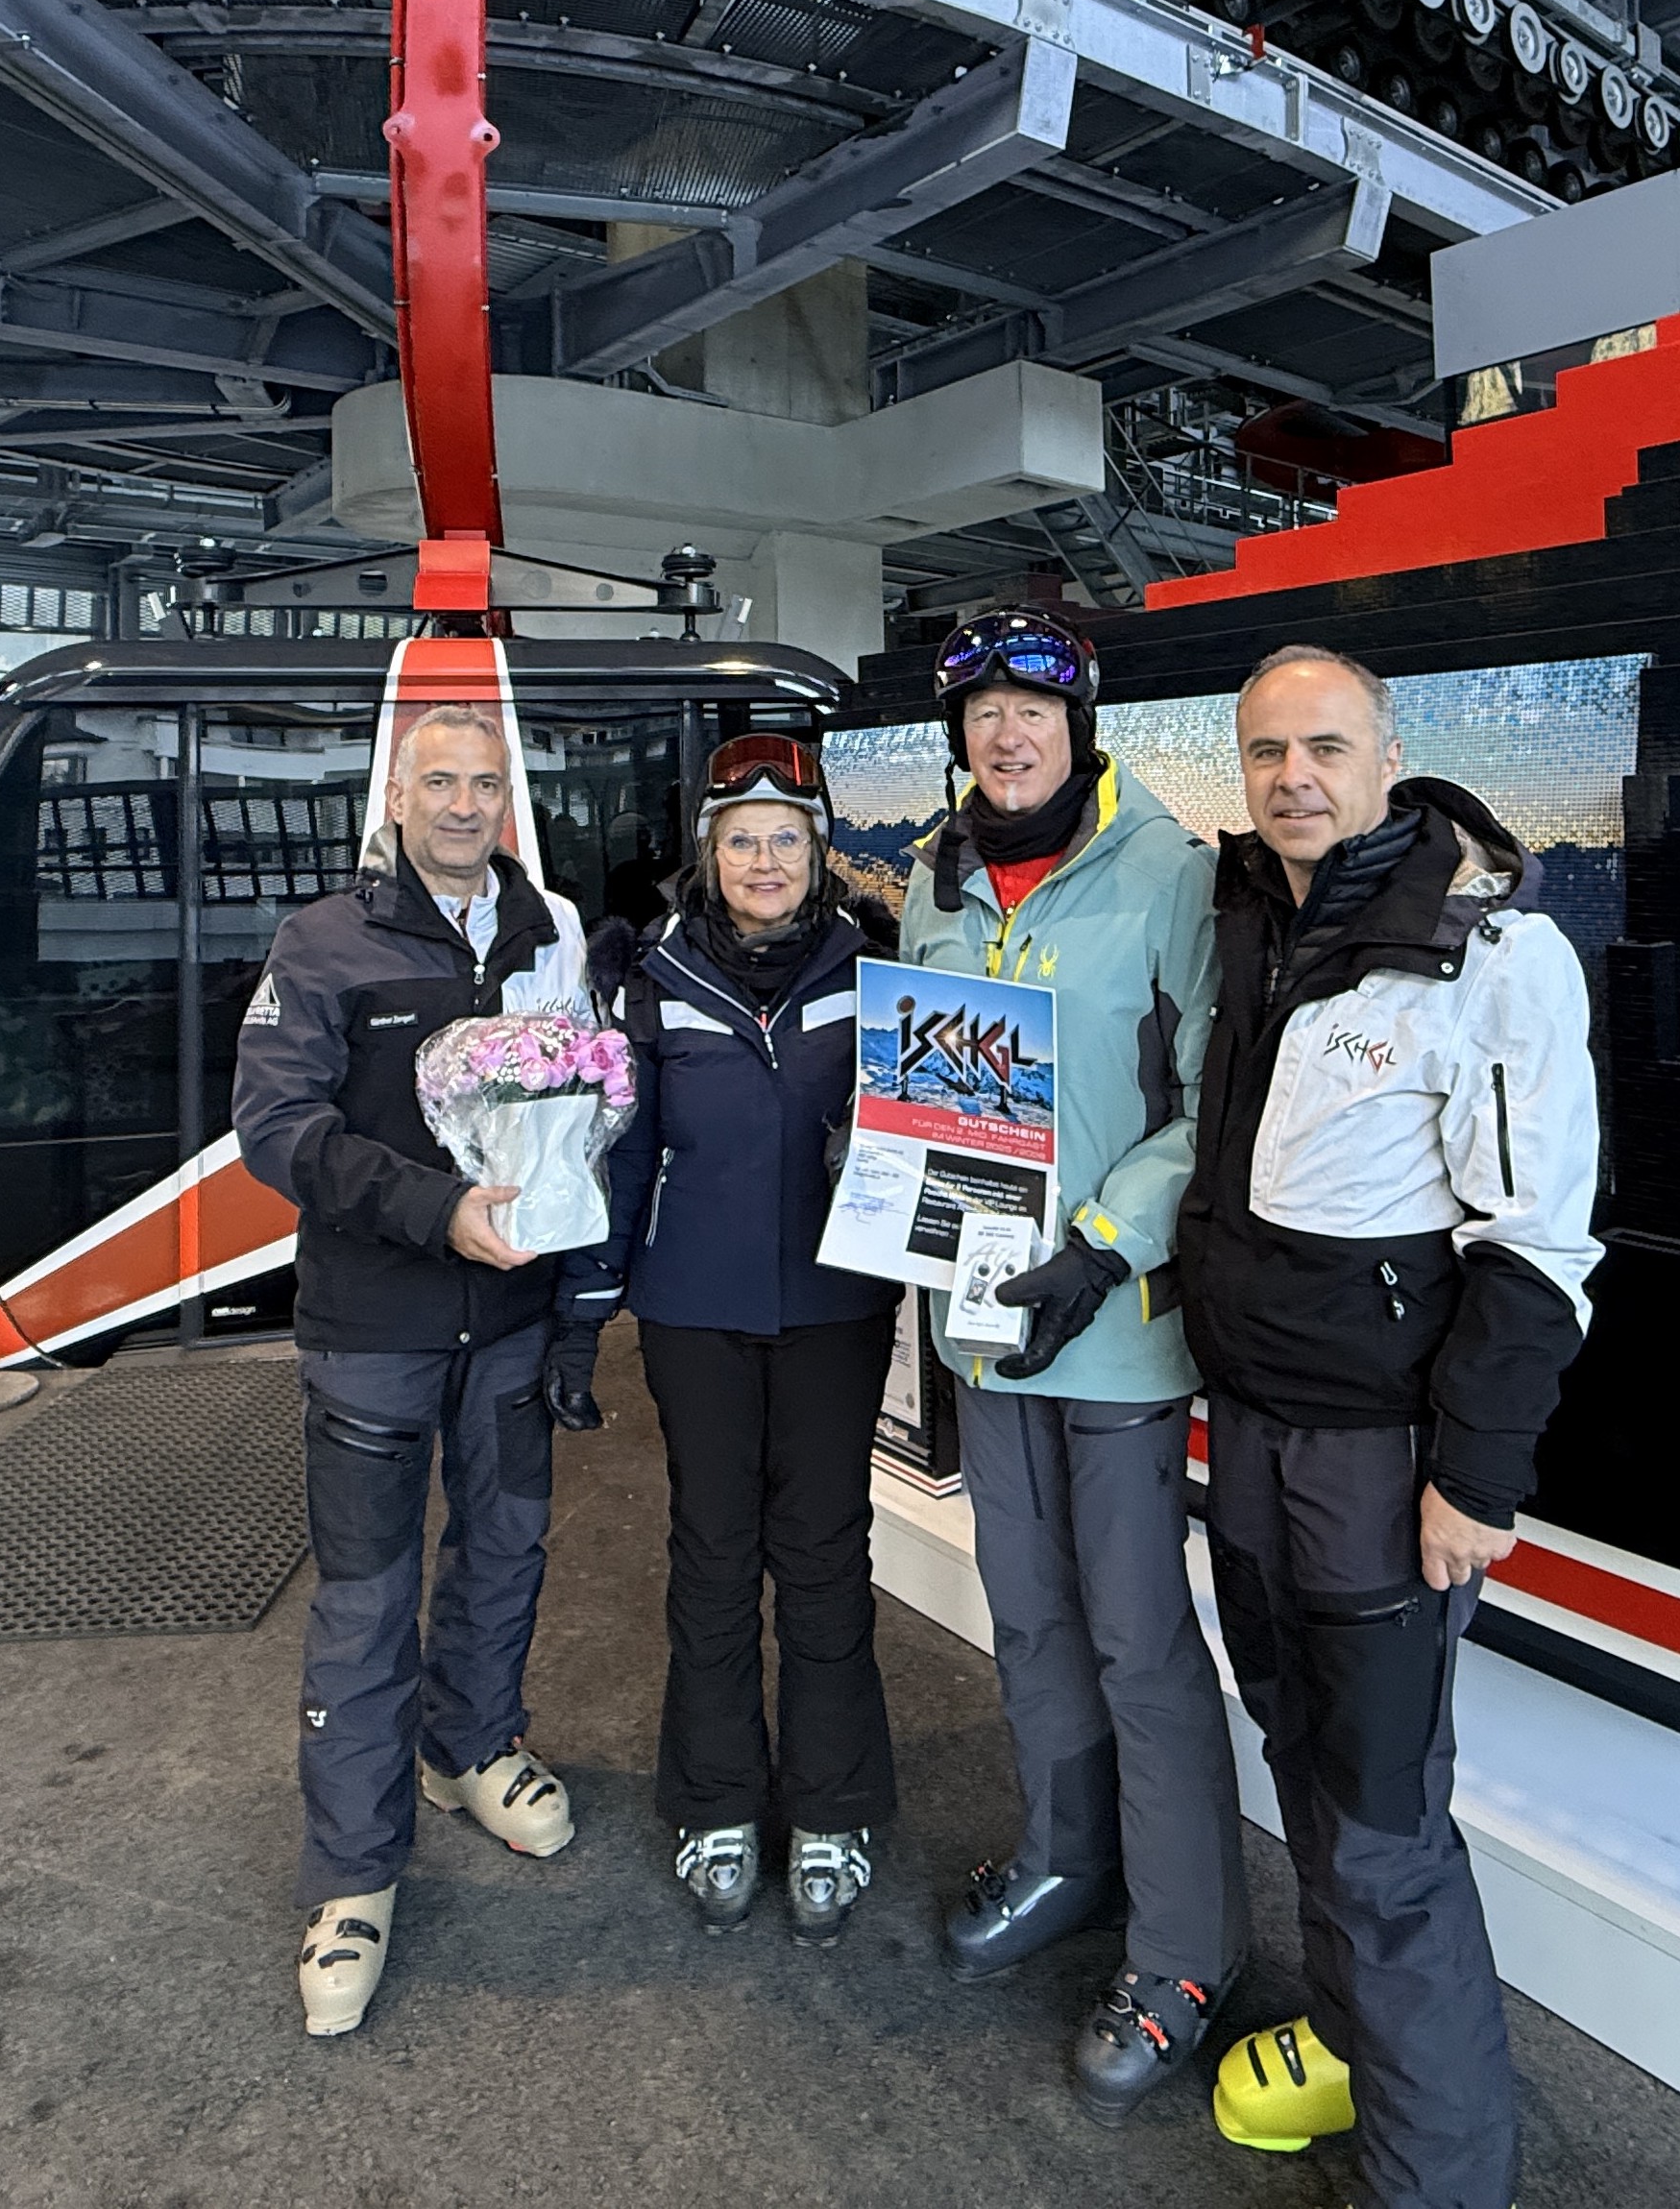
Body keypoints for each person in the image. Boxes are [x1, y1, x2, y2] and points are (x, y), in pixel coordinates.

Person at [1178, 645, 1602, 2209]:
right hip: (1253, 1433)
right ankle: (1358, 2047)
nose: (1294, 776)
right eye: (1267, 751)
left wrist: (1473, 1476)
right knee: (1299, 1758)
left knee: (1381, 1822)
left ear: (1386, 752)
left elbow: (1538, 1247)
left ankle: (1439, 2173)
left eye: (1325, 747)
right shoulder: (1253, 915)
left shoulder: (1490, 952)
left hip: (1379, 1461)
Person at [900, 606, 1247, 2127]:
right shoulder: (935, 876)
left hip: (1111, 1329)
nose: (1006, 734)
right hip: (985, 1325)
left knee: (1137, 1641)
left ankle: (1186, 1950)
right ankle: (1066, 1853)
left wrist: (1101, 1245)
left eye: (1032, 711)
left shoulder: (1169, 873)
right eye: (982, 715)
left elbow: (1210, 1101)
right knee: (1029, 1617)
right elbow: (932, 1083)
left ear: (1080, 724)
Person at [232, 701, 597, 2040]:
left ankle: (472, 1745)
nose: (462, 805)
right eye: (439, 782)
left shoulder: (548, 935)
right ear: (396, 794)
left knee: (504, 1550)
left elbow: (580, 1115)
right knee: (366, 1600)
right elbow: (276, 1127)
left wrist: (575, 1274)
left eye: (484, 784)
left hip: (509, 1320)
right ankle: (351, 1871)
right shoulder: (321, 942)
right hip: (373, 1326)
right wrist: (431, 1210)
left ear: (509, 799)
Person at [558, 735, 903, 1944]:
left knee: (823, 1554)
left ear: (819, 851)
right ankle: (714, 1801)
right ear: (709, 854)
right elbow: (620, 1156)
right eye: (742, 840)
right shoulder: (653, 977)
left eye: (785, 840)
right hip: (694, 1309)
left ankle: (830, 1806)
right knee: (711, 1553)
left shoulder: (876, 968)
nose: (764, 861)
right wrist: (583, 1312)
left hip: (835, 1307)